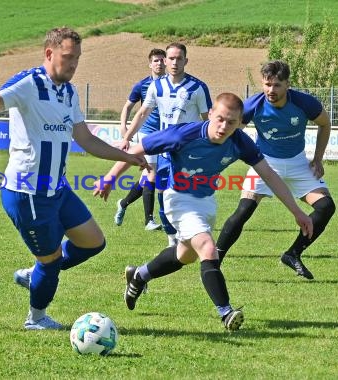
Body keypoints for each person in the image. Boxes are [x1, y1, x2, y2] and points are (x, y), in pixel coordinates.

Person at [0, 27, 147, 330]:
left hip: (58, 188)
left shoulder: (69, 92)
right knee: (51, 261)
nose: (73, 64)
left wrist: (127, 157)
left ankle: (36, 272)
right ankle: (36, 318)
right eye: (68, 57)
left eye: (77, 58)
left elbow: (86, 139)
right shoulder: (28, 83)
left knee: (93, 242)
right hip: (28, 192)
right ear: (49, 54)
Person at [94, 93, 313, 331]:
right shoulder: (183, 134)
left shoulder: (239, 141)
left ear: (240, 122)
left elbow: (269, 175)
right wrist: (109, 178)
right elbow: (136, 150)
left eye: (231, 122)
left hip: (206, 201)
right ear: (210, 114)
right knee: (208, 248)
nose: (224, 126)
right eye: (220, 119)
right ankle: (226, 312)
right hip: (177, 198)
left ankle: (139, 275)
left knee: (185, 255)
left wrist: (297, 212)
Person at [215, 60, 336, 280]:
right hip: (265, 163)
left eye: (277, 85)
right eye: (267, 84)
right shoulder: (253, 105)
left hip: (298, 163)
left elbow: (325, 124)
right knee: (243, 211)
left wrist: (318, 159)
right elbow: (232, 133)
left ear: (288, 84)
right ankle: (214, 262)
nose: (271, 90)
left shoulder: (304, 103)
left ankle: (293, 254)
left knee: (326, 206)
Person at [119, 42, 212, 246]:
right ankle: (172, 239)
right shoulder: (156, 86)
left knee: (188, 192)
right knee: (164, 194)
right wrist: (127, 137)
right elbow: (142, 113)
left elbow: (207, 120)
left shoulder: (197, 87)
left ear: (186, 61)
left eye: (179, 58)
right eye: (171, 58)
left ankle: (195, 231)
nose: (174, 62)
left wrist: (209, 147)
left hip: (190, 151)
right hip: (164, 151)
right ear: (165, 60)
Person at [115, 48, 166, 231]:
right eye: (156, 60)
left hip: (166, 134)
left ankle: (123, 203)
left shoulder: (171, 84)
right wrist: (124, 128)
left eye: (162, 60)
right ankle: (149, 221)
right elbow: (128, 107)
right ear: (150, 64)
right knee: (152, 173)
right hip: (147, 132)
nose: (159, 63)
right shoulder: (142, 85)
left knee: (148, 176)